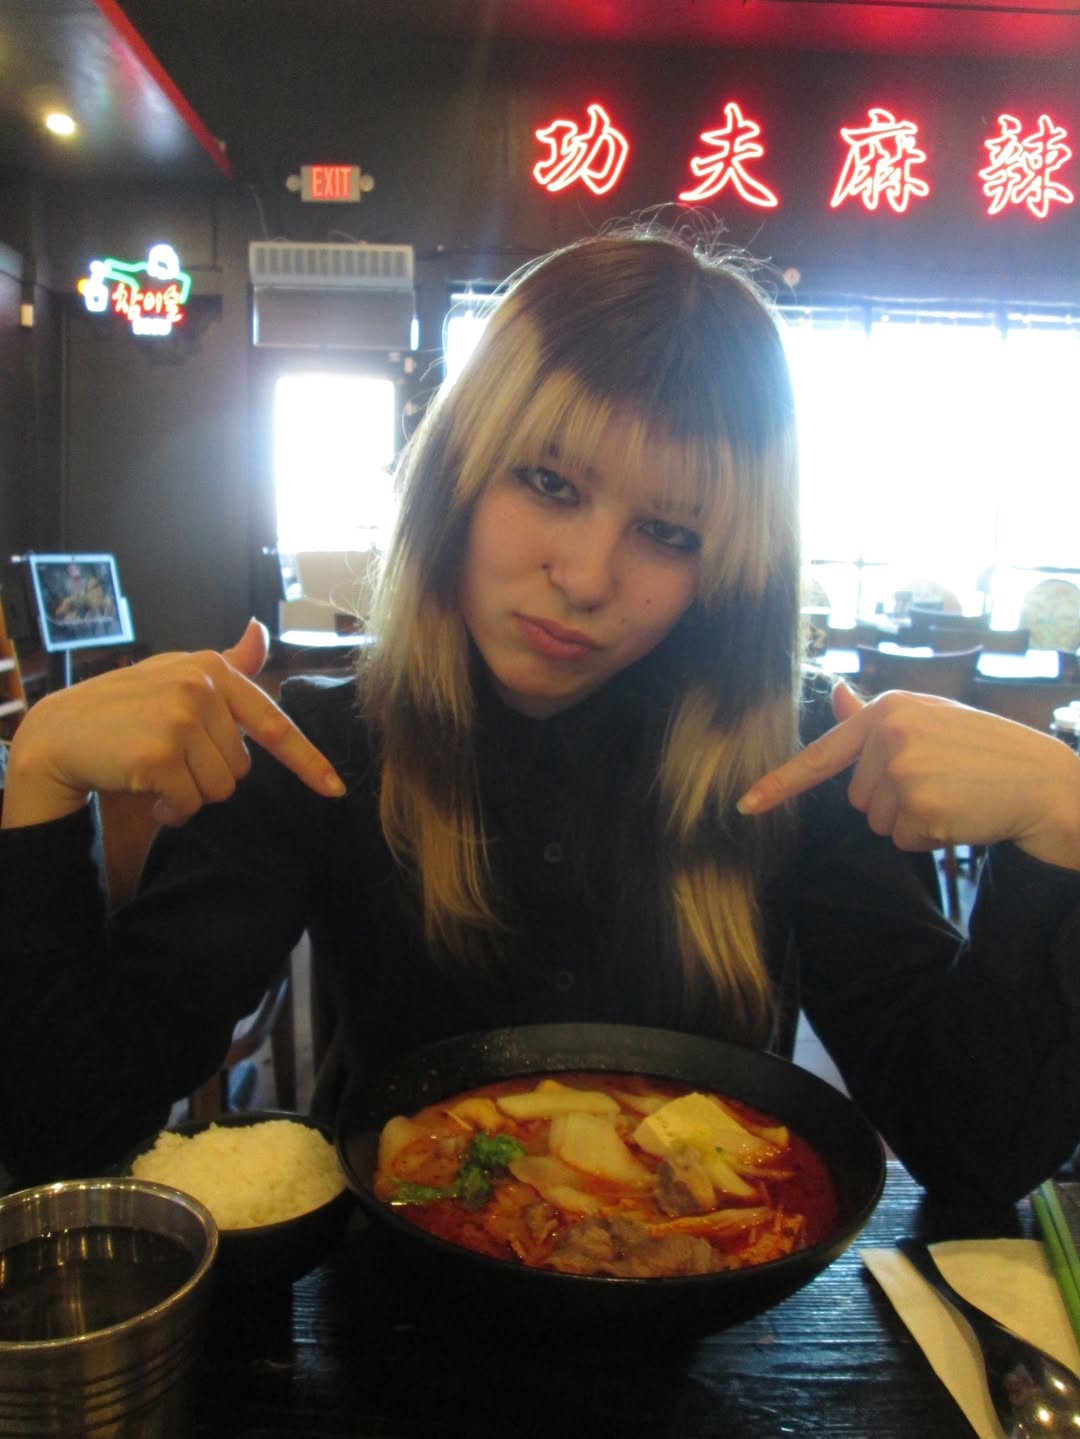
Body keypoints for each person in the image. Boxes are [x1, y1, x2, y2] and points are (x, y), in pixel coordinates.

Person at [2, 224, 1079, 1203]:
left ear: (728, 571)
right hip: (391, 1304)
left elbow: (973, 1151)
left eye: (670, 532)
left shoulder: (792, 763)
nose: (587, 577)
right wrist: (39, 779)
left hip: (714, 1309)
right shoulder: (326, 751)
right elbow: (69, 1127)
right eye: (551, 483)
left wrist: (1062, 830)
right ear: (457, 477)